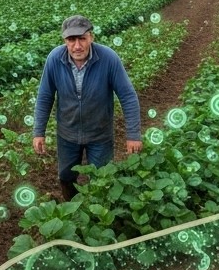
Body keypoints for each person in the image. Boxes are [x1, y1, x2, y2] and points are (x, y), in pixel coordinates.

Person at [32, 15, 142, 200]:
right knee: (66, 176)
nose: (77, 46)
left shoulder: (108, 58)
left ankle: (97, 217)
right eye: (71, 40)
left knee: (102, 179)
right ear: (64, 40)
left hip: (100, 134)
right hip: (67, 133)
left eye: (82, 38)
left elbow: (128, 96)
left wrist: (133, 135)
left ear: (91, 37)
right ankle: (72, 210)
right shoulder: (54, 59)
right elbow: (45, 96)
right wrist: (38, 131)